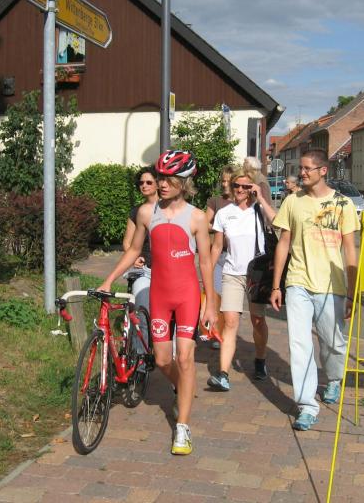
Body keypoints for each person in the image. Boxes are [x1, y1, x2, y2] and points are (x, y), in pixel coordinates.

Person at [99, 150, 216, 455]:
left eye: (169, 179)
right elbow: (132, 250)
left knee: (185, 358)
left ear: (184, 182)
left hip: (187, 295)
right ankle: (184, 388)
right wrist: (109, 279)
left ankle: (183, 427)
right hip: (160, 294)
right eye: (161, 177)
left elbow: (205, 262)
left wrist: (210, 305)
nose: (162, 184)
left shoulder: (197, 217)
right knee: (163, 360)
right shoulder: (146, 213)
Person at [269, 148, 358, 431]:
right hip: (298, 282)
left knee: (333, 343)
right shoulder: (292, 201)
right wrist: (277, 284)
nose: (302, 173)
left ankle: (334, 378)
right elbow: (284, 242)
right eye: (301, 168)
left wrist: (353, 291)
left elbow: (350, 249)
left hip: (332, 284)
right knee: (299, 344)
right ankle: (307, 405)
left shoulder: (343, 204)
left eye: (308, 168)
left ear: (323, 171)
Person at [208, 165, 277, 390]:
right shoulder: (224, 213)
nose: (239, 189)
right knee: (230, 322)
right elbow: (217, 246)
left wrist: (261, 198)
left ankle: (260, 360)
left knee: (258, 320)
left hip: (257, 274)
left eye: (245, 186)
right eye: (236, 185)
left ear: (252, 187)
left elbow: (278, 222)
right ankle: (223, 374)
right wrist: (207, 270)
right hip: (232, 273)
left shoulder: (259, 209)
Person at [205, 165, 236, 349]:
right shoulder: (215, 201)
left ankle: (227, 331)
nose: (224, 184)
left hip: (235, 257)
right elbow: (204, 223)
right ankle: (217, 333)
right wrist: (219, 225)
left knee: (229, 299)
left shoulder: (242, 202)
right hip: (218, 254)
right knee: (216, 294)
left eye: (228, 181)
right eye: (222, 181)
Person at [122, 166, 159, 317]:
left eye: (149, 182)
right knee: (142, 309)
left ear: (158, 184)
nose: (144, 185)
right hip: (144, 269)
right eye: (141, 183)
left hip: (166, 269)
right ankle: (141, 332)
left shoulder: (168, 208)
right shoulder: (136, 211)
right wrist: (135, 259)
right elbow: (127, 243)